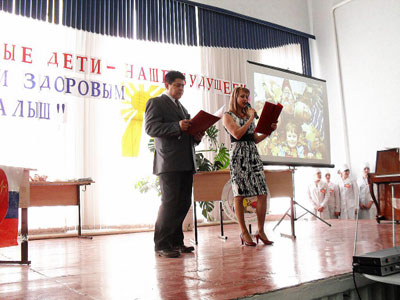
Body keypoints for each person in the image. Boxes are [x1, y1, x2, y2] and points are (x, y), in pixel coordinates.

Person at [145, 70, 204, 258]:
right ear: (167, 85)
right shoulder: (156, 103)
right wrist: (177, 126)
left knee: (183, 203)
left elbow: (186, 134)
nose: (181, 89)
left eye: (183, 86)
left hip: (186, 161)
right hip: (169, 162)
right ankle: (162, 244)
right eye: (177, 85)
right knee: (170, 204)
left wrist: (196, 136)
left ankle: (177, 242)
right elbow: (151, 128)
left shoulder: (182, 108)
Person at [222, 87, 277, 247]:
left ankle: (260, 230)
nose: (246, 99)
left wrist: (269, 132)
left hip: (253, 155)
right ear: (235, 97)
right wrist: (251, 118)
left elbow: (254, 139)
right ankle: (244, 231)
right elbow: (237, 134)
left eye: (247, 97)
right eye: (242, 96)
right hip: (238, 156)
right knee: (239, 194)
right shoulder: (228, 116)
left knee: (262, 192)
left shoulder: (248, 116)